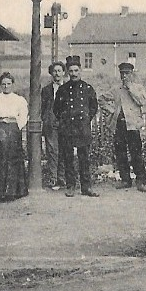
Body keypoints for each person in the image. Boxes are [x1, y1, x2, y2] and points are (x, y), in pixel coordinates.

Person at [54, 55, 100, 197]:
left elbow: (93, 107)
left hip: (82, 128)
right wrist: (65, 120)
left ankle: (86, 187)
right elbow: (56, 109)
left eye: (76, 70)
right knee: (68, 158)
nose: (73, 73)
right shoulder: (63, 89)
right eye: (71, 71)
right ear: (67, 72)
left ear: (80, 71)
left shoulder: (88, 88)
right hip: (68, 128)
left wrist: (86, 120)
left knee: (84, 159)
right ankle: (71, 186)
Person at [0, 72, 29, 203]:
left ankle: (12, 192)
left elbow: (23, 116)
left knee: (13, 159)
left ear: (12, 85)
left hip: (13, 130)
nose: (6, 86)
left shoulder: (19, 99)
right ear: (0, 85)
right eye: (3, 84)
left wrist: (15, 128)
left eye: (8, 84)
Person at [109, 62, 146, 192]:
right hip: (120, 124)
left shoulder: (138, 87)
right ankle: (125, 179)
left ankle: (141, 180)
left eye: (127, 73)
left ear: (132, 74)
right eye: (122, 73)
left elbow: (142, 102)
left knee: (136, 153)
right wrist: (112, 111)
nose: (124, 76)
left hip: (133, 125)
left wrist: (130, 88)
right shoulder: (116, 89)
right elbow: (102, 99)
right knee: (120, 153)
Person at [40, 61, 68, 190]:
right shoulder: (46, 90)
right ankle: (53, 179)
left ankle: (62, 178)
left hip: (65, 123)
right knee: (52, 151)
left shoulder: (69, 88)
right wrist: (46, 119)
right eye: (54, 71)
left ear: (63, 72)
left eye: (59, 71)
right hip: (51, 122)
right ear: (51, 73)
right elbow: (43, 107)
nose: (57, 73)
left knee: (64, 150)